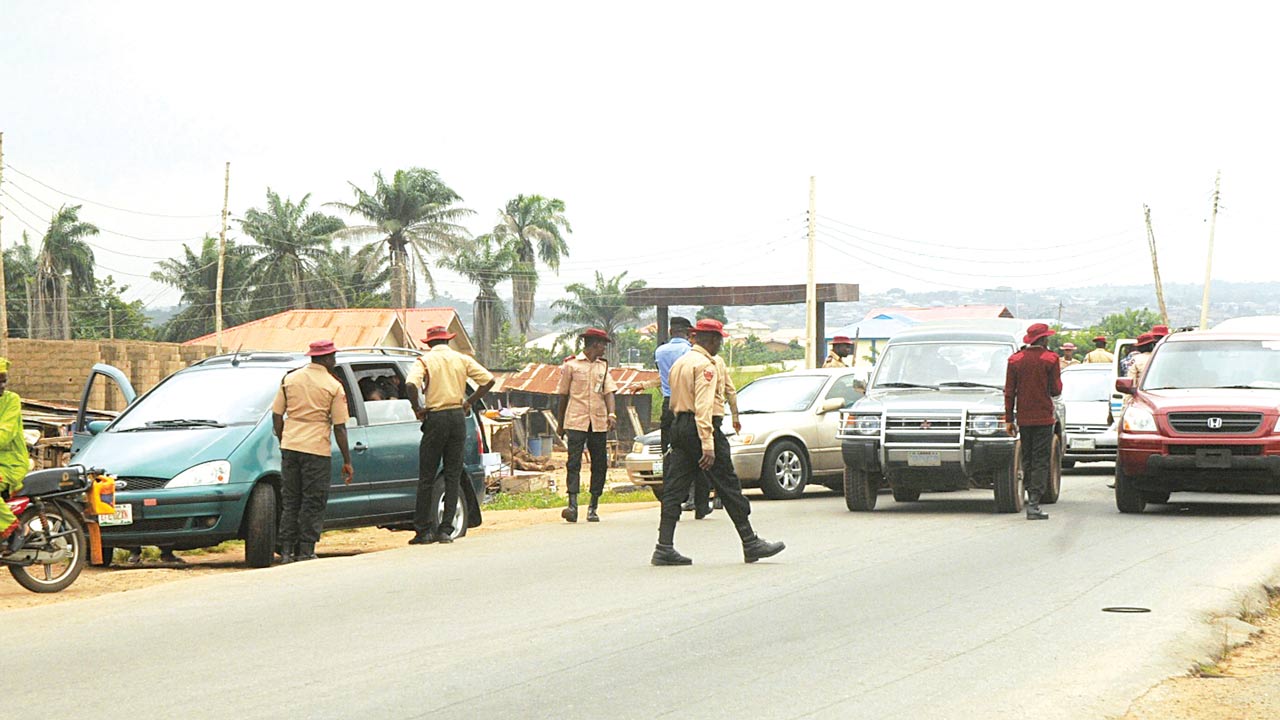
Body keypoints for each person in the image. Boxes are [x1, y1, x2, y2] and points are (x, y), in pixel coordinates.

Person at [652, 319, 785, 566]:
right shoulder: (706, 366)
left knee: (674, 487)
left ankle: (664, 546)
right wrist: (708, 444)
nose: (720, 345)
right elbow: (702, 406)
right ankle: (750, 541)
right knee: (728, 484)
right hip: (701, 428)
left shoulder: (681, 363)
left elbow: (672, 401)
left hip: (678, 424)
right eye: (719, 340)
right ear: (711, 339)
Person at [405, 326, 495, 545]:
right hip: (457, 417)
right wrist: (469, 402)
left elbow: (410, 384)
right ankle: (446, 530)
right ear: (448, 341)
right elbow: (489, 380)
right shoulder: (461, 359)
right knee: (453, 474)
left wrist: (417, 407)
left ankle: (423, 530)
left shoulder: (424, 362)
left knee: (427, 476)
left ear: (429, 343)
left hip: (435, 417)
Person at [271, 340, 353, 563]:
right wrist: (347, 460)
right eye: (333, 357)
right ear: (326, 359)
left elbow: (277, 416)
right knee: (313, 500)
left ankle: (286, 550)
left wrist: (284, 439)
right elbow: (340, 427)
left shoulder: (290, 379)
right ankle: (306, 550)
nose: (334, 361)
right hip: (316, 449)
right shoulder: (333, 385)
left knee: (291, 500)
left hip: (291, 446)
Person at [556, 328, 617, 523]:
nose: (604, 349)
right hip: (575, 420)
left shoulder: (603, 367)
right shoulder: (571, 366)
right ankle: (572, 504)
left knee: (599, 463)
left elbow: (609, 392)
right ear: (594, 344)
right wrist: (560, 423)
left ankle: (593, 506)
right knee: (573, 462)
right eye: (603, 345)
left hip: (598, 422)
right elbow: (563, 395)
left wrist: (612, 413)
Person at [1004, 323, 1062, 521]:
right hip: (1044, 417)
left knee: (1027, 459)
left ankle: (1030, 497)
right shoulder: (1050, 359)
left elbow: (1009, 393)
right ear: (1044, 340)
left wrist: (1008, 420)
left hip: (1023, 418)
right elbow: (1056, 390)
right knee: (1040, 460)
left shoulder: (1015, 360)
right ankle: (1034, 503)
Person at [654, 317, 712, 515]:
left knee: (669, 455)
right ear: (688, 332)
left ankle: (672, 501)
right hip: (689, 405)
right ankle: (699, 501)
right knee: (698, 454)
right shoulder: (690, 353)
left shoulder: (660, 351)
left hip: (668, 404)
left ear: (671, 332)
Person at [0, 358, 29, 556]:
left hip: (11, 463)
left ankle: (17, 528)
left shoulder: (12, 400)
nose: (2, 386)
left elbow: (5, 433)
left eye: (4, 380)